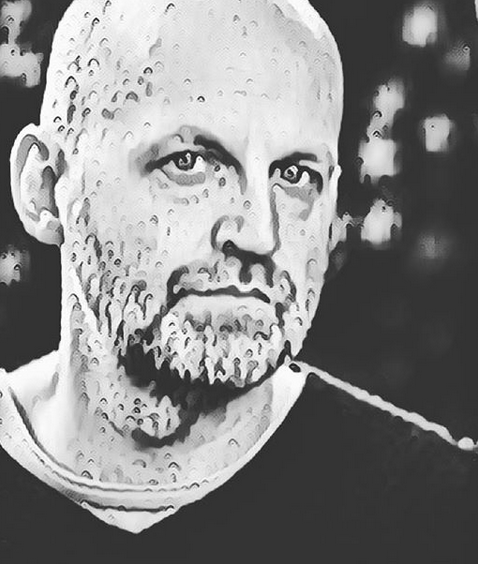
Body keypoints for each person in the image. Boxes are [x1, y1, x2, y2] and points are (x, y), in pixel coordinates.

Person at [1, 0, 477, 561]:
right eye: (188, 163)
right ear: (45, 188)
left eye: (294, 175)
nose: (259, 233)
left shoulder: (440, 514)